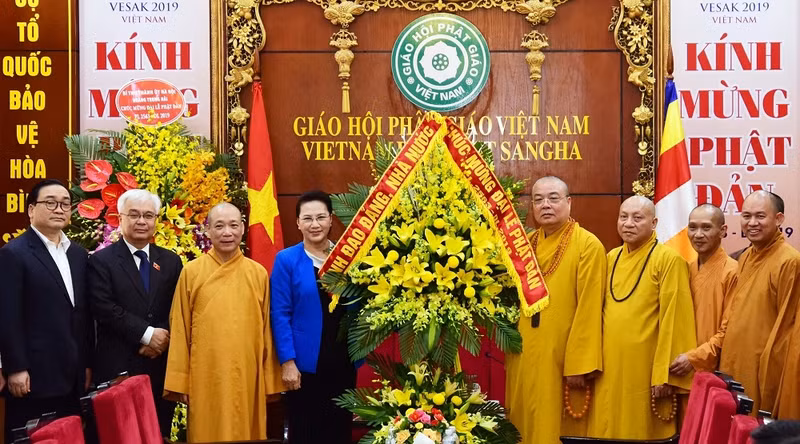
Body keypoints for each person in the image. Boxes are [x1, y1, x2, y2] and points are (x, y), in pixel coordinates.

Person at [164, 202, 284, 442]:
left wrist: (269, 378)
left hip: (247, 376)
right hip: (205, 376)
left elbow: (268, 331)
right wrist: (181, 380)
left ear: (242, 229)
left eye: (233, 225)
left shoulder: (258, 273)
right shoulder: (191, 272)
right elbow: (179, 328)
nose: (227, 232)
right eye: (219, 226)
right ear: (207, 231)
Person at [505, 176, 605, 443]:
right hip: (525, 353)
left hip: (562, 358)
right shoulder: (525, 246)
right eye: (538, 200)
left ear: (569, 203)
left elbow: (590, 308)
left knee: (554, 428)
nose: (545, 205)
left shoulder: (588, 245)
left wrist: (579, 364)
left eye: (553, 198)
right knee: (523, 421)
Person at [587, 195, 696, 439]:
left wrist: (664, 374)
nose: (628, 223)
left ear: (654, 223)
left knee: (641, 430)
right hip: (609, 368)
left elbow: (675, 319)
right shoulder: (610, 257)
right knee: (608, 426)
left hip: (646, 369)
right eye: (623, 217)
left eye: (638, 218)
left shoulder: (669, 260)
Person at [0, 179, 93, 441]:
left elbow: (81, 315)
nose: (59, 209)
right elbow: (8, 316)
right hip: (33, 377)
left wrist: (85, 364)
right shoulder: (14, 254)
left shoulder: (77, 254)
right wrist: (15, 368)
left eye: (65, 204)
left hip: (72, 377)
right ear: (31, 210)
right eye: (50, 202)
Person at [88, 189, 183, 436]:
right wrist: (147, 334)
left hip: (160, 367)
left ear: (156, 220)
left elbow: (179, 307)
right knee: (120, 435)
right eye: (134, 215)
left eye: (148, 215)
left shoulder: (171, 261)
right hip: (119, 367)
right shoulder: (101, 261)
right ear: (120, 219)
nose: (142, 221)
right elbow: (104, 308)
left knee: (157, 433)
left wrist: (161, 339)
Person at [271, 190, 357, 444]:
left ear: (331, 219)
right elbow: (280, 314)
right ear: (298, 223)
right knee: (306, 431)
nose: (315, 224)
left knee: (339, 430)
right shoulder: (286, 260)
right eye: (307, 218)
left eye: (321, 217)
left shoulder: (348, 257)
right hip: (304, 366)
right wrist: (287, 362)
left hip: (343, 362)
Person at [719, 191, 800, 415]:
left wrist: (772, 376)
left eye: (760, 216)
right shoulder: (745, 257)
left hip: (763, 369)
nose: (752, 223)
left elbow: (788, 331)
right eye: (746, 216)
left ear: (779, 219)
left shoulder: (789, 261)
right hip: (735, 362)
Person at [669, 204, 738, 375]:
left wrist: (695, 358)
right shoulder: (685, 269)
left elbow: (730, 331)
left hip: (712, 368)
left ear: (722, 230)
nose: (698, 235)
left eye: (706, 227)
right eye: (692, 227)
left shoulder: (733, 271)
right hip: (680, 365)